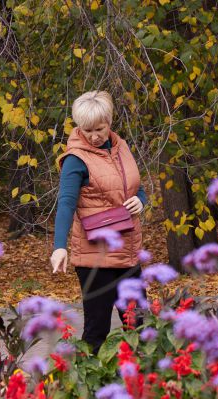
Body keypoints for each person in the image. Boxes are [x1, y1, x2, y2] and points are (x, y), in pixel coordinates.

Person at [50, 91, 147, 353]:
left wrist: (141, 200)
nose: (94, 136)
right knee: (97, 331)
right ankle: (86, 387)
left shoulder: (121, 147)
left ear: (110, 121)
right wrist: (60, 246)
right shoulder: (75, 160)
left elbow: (135, 187)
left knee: (141, 326)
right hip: (96, 258)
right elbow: (67, 203)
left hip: (127, 253)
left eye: (99, 129)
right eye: (87, 130)